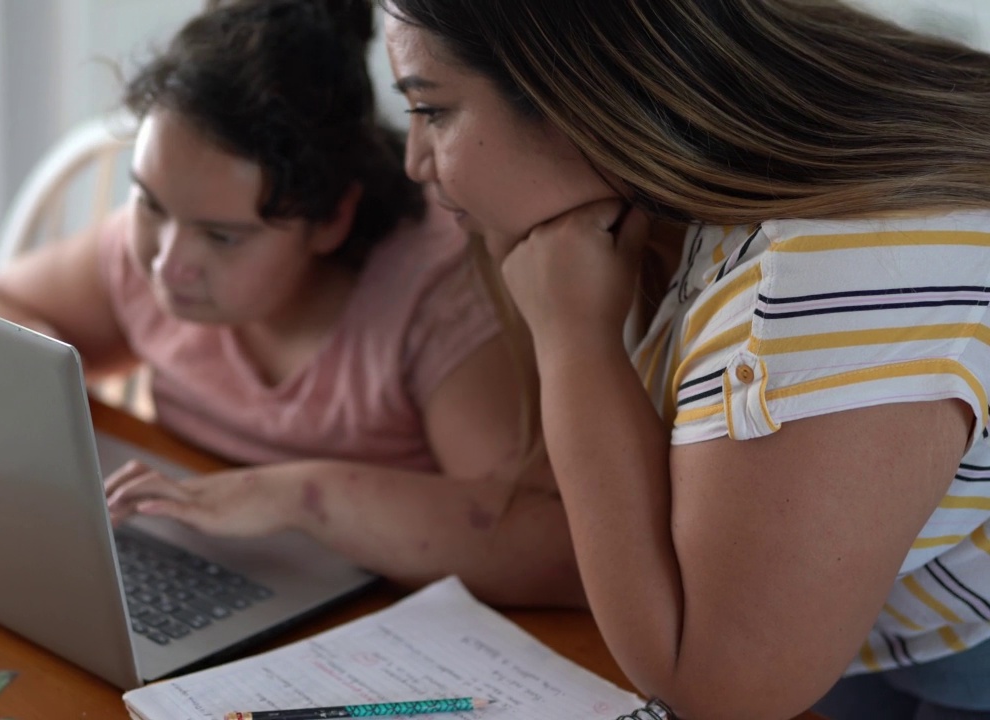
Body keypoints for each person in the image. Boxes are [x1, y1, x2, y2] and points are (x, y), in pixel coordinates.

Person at [379, 0, 990, 718]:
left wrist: (575, 341)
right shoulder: (676, 207)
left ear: (581, 90)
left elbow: (714, 687)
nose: (415, 161)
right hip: (885, 630)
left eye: (433, 110)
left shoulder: (824, 279)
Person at [0, 0, 583, 607]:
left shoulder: (435, 296)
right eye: (150, 202)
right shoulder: (158, 240)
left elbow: (547, 544)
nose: (164, 263)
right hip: (201, 568)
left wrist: (298, 496)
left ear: (330, 219)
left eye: (222, 237)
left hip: (365, 610)